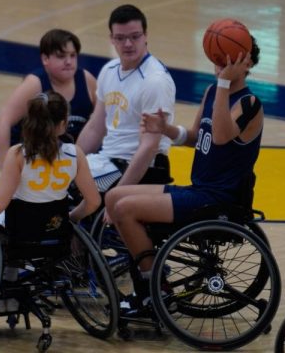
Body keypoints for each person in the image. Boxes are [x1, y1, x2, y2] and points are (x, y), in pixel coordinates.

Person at [107, 31, 264, 312]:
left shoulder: (249, 104)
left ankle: (153, 291)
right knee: (113, 196)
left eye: (231, 56)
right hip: (198, 189)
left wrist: (225, 82)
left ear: (247, 62)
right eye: (220, 56)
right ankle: (148, 264)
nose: (221, 61)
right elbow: (196, 137)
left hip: (219, 197)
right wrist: (164, 129)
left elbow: (219, 136)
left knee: (125, 210)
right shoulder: (214, 91)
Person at [0, 91, 101, 239]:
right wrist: (71, 217)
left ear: (29, 122)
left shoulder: (18, 154)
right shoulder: (75, 153)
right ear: (63, 124)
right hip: (55, 231)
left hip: (19, 234)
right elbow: (93, 202)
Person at [76, 4, 176, 190]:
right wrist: (70, 160)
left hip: (141, 168)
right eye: (120, 38)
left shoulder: (155, 81)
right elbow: (95, 127)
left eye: (135, 36)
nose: (128, 44)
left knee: (68, 186)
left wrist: (119, 192)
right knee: (52, 177)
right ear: (111, 39)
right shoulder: (109, 70)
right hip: (107, 162)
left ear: (146, 35)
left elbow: (149, 148)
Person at [0, 28, 97, 168]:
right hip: (32, 157)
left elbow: (103, 120)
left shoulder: (87, 80)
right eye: (61, 56)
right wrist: (3, 167)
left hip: (69, 157)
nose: (69, 61)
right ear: (45, 59)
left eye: (73, 55)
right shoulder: (34, 84)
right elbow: (1, 121)